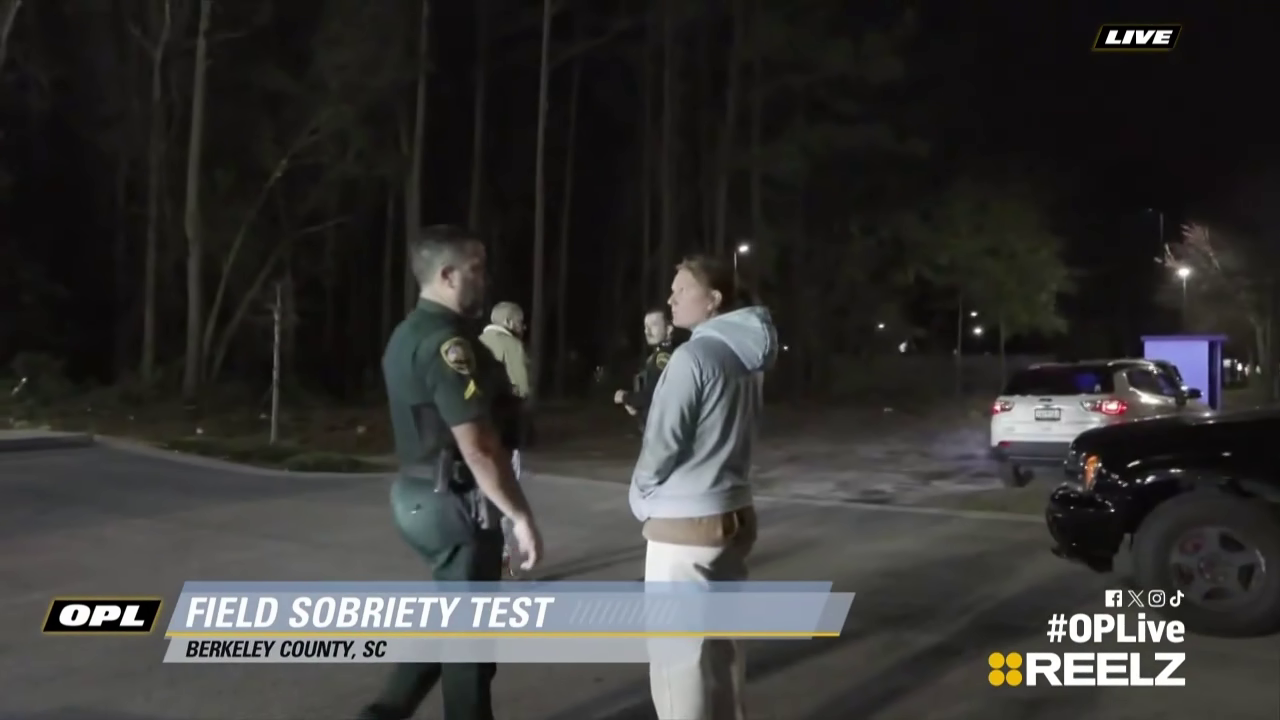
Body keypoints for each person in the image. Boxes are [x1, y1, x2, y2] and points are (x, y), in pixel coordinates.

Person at [359, 225, 543, 720]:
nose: (484, 279)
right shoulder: (447, 345)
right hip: (452, 499)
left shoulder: (410, 333)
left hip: (422, 492)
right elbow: (478, 446)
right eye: (475, 270)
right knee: (470, 647)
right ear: (446, 275)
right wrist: (520, 516)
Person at [629, 254, 777, 720]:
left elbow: (662, 441)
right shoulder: (746, 359)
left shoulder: (692, 357)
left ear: (713, 300)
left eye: (681, 290)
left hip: (684, 524)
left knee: (678, 658)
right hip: (734, 512)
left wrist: (641, 493)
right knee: (722, 648)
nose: (671, 299)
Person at [478, 301, 530, 577]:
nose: (523, 327)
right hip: (504, 435)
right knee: (507, 494)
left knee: (480, 493)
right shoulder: (512, 346)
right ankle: (504, 556)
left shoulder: (474, 344)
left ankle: (479, 553)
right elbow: (522, 388)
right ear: (509, 323)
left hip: (475, 434)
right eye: (520, 322)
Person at [614, 308, 679, 423]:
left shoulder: (663, 356)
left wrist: (625, 397)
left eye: (654, 325)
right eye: (645, 326)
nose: (647, 331)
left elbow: (653, 394)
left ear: (669, 329)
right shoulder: (659, 354)